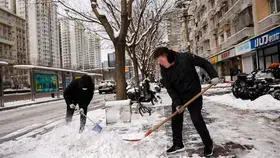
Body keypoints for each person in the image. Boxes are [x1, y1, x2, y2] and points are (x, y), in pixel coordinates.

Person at [153, 47, 219, 157]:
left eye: (161, 60)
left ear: (166, 56)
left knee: (196, 119)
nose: (160, 63)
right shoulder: (163, 69)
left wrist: (214, 75)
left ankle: (208, 144)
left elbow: (204, 62)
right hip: (179, 97)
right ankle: (178, 144)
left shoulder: (186, 57)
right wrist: (178, 103)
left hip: (194, 95)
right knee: (176, 119)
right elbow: (170, 88)